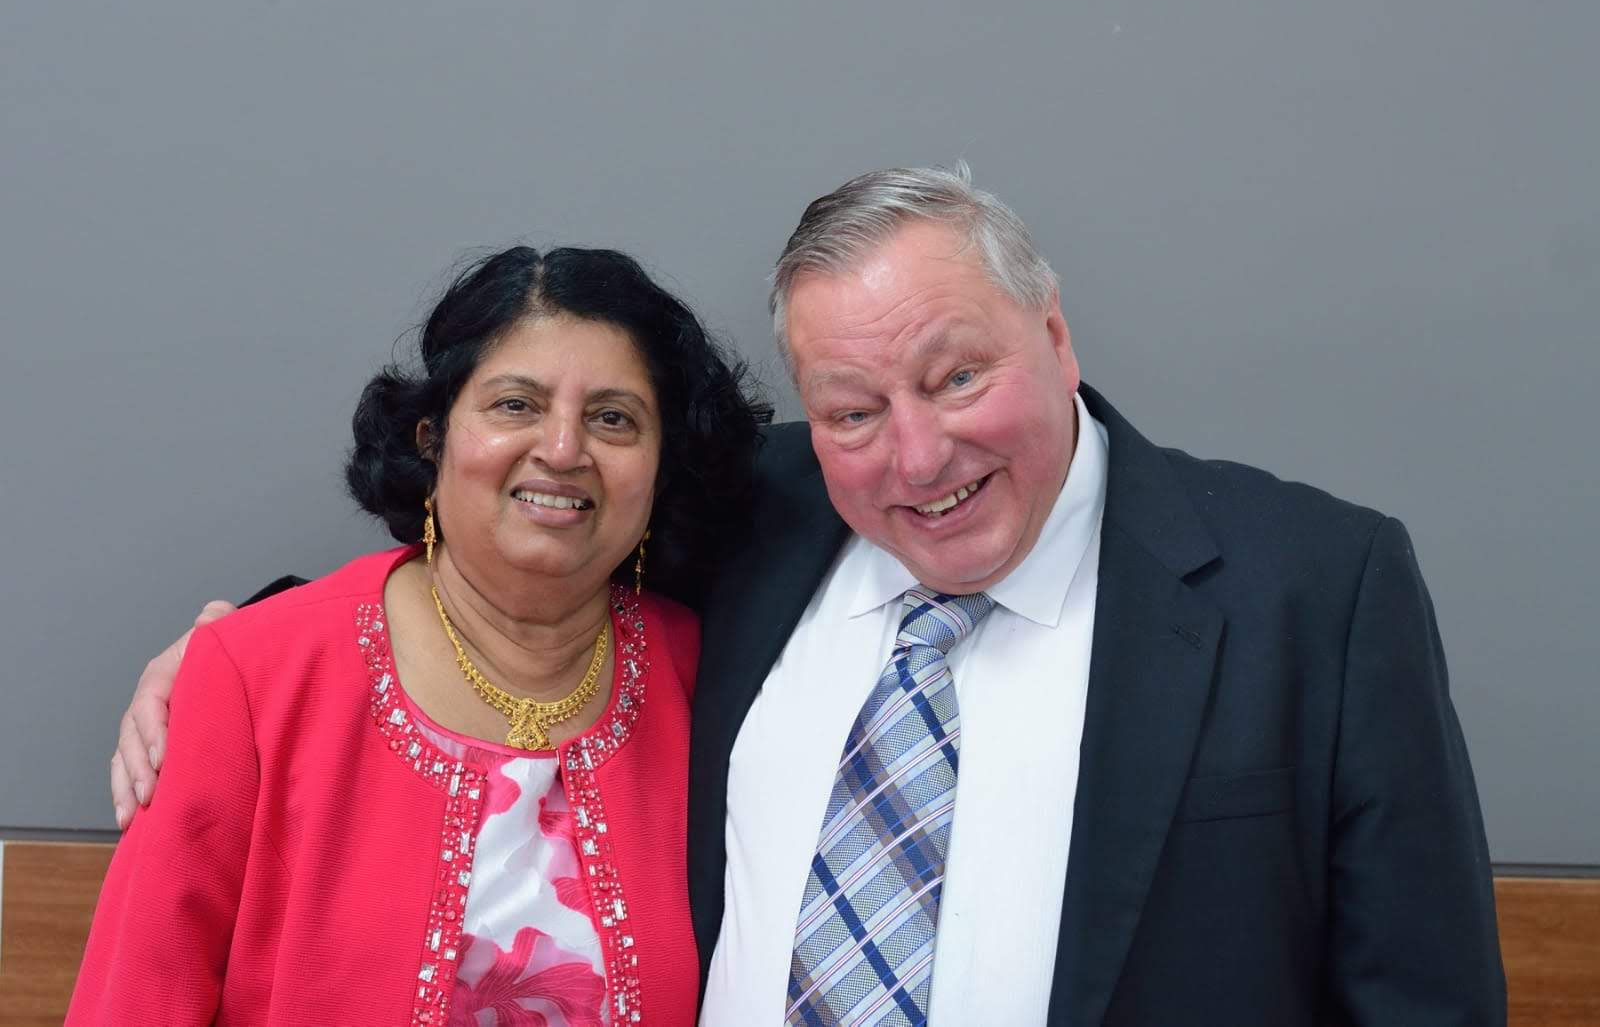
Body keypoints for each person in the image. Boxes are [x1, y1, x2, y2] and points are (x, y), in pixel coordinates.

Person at [114, 167, 1506, 1026]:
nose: (917, 454)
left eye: (958, 376)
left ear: (1055, 333)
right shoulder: (769, 517)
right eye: (851, 407)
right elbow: (519, 558)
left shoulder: (1313, 589)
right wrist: (233, 650)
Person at [77, 245, 768, 1026]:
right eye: (516, 404)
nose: (563, 449)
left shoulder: (715, 677)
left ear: (661, 466)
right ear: (431, 437)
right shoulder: (252, 676)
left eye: (613, 418)